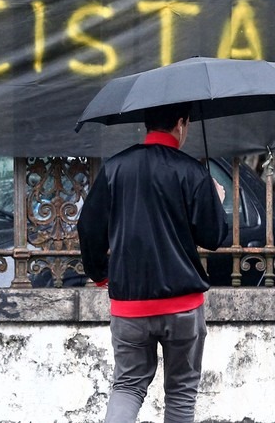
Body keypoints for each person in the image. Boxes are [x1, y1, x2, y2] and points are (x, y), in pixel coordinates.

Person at [78, 102, 229, 423]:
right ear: (181, 123)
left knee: (128, 388)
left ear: (146, 124)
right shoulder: (192, 171)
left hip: (130, 306)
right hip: (183, 308)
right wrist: (215, 199)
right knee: (181, 392)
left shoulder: (115, 168)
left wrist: (101, 276)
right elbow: (214, 238)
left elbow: (88, 227)